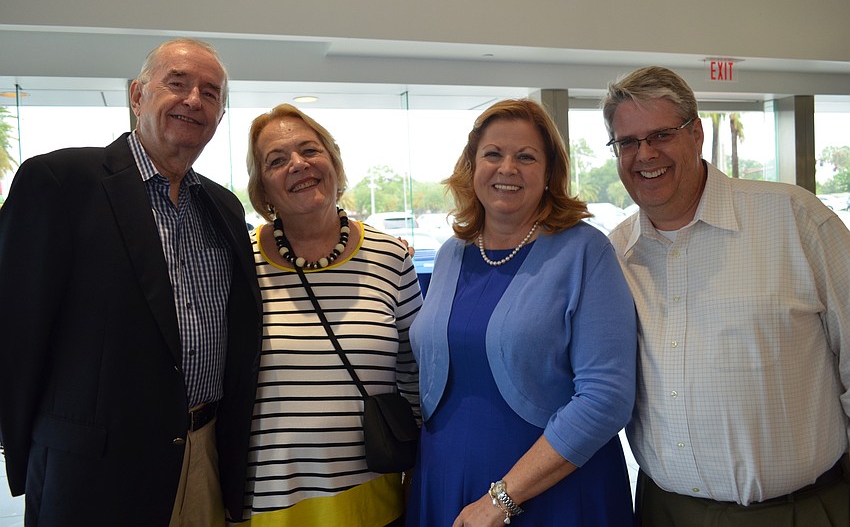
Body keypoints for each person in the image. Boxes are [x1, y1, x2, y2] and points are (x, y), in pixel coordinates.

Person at [0, 38, 262, 527]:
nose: (193, 100)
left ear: (220, 116)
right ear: (137, 96)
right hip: (93, 470)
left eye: (211, 93)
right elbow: (14, 331)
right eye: (177, 84)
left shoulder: (224, 208)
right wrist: (26, 451)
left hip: (205, 455)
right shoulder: (60, 182)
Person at [602, 66, 850, 527]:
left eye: (661, 134)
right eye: (628, 142)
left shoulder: (794, 219)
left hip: (797, 511)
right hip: (663, 512)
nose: (645, 154)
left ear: (696, 134)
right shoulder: (615, 255)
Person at [405, 98, 637, 526]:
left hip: (553, 493)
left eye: (525, 157)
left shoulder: (585, 252)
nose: (506, 168)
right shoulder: (452, 254)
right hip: (444, 484)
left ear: (549, 173)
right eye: (493, 154)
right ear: (472, 165)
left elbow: (607, 398)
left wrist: (501, 500)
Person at [239, 104, 422, 526]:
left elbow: (415, 373)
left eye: (310, 150)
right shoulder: (238, 263)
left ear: (334, 163)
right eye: (277, 160)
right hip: (268, 502)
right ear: (262, 189)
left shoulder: (390, 257)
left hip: (372, 497)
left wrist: (417, 470)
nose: (298, 164)